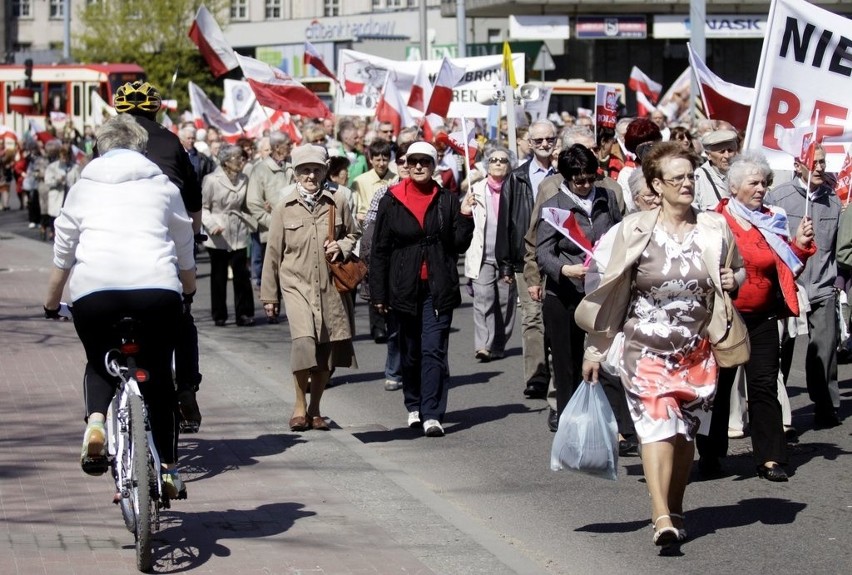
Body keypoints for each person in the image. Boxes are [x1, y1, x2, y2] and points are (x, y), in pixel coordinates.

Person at [577, 141, 743, 551]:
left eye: (690, 176)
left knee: (685, 435)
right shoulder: (632, 229)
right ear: (656, 185)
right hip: (644, 347)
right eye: (678, 178)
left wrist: (731, 280)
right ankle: (661, 515)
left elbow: (736, 267)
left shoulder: (714, 227)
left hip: (696, 349)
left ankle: (676, 505)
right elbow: (602, 284)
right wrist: (595, 349)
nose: (687, 184)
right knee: (655, 427)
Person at [43, 114, 196, 498]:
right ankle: (169, 470)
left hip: (96, 292)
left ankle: (96, 421)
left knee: (99, 360)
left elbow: (63, 251)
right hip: (156, 290)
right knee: (158, 375)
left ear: (101, 148)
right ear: (142, 149)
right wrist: (188, 289)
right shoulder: (163, 186)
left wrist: (51, 302)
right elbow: (184, 245)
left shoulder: (83, 187)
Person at [696, 152, 815, 482]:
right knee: (720, 388)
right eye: (754, 183)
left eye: (764, 182)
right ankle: (710, 455)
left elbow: (789, 266)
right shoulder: (714, 220)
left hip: (763, 317)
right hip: (728, 316)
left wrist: (800, 246)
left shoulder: (774, 218)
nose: (761, 188)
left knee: (764, 385)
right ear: (734, 188)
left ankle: (770, 458)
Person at [112, 80, 203, 432]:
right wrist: (193, 235)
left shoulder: (107, 142)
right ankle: (186, 389)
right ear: (155, 110)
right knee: (183, 319)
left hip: (115, 249)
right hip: (164, 244)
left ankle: (100, 409)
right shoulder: (170, 140)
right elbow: (193, 200)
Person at [370, 142, 475, 437]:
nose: (418, 166)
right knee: (411, 351)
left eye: (425, 162)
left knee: (434, 350)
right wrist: (378, 294)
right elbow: (379, 250)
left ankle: (432, 413)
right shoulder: (391, 199)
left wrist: (466, 216)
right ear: (404, 163)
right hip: (403, 287)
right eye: (412, 161)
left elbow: (458, 244)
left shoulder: (447, 200)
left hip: (438, 288)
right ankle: (414, 404)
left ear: (434, 165)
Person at [260, 144, 360, 432]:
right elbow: (273, 254)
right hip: (296, 285)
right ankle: (299, 406)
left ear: (324, 171)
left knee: (325, 350)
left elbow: (354, 233)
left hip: (329, 286)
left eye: (316, 169)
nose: (311, 175)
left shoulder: (337, 201)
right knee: (304, 342)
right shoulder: (284, 207)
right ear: (295, 173)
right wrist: (270, 296)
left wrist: (341, 246)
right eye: (304, 170)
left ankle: (316, 409)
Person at [536, 144, 622, 420]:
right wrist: (564, 269)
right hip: (565, 295)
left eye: (590, 177)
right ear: (566, 178)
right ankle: (569, 422)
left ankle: (611, 423)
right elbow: (543, 252)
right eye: (578, 180)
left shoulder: (606, 198)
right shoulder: (554, 206)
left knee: (607, 359)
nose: (586, 184)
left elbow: (620, 235)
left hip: (602, 292)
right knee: (567, 364)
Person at [766, 144, 842, 428]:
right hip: (790, 287)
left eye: (823, 162)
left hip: (822, 285)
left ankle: (826, 406)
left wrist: (837, 280)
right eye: (815, 162)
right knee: (783, 351)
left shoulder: (833, 201)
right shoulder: (779, 198)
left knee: (824, 349)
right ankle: (778, 415)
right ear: (799, 165)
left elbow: (833, 246)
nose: (821, 168)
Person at [495, 119, 558, 400]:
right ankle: (536, 376)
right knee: (532, 318)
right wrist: (505, 262)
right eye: (539, 140)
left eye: (550, 139)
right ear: (529, 144)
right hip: (525, 259)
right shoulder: (517, 177)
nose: (545, 144)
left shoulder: (564, 174)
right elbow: (506, 222)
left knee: (554, 317)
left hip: (558, 256)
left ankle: (559, 376)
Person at [464, 145, 517, 362]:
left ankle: (498, 343)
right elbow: (463, 220)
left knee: (505, 302)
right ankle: (483, 345)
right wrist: (465, 210)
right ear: (487, 164)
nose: (497, 163)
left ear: (509, 165)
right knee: (483, 299)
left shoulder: (516, 189)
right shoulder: (475, 190)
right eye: (493, 159)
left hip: (507, 257)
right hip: (482, 256)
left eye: (502, 160)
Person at [201, 144, 256, 327]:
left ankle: (245, 313)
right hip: (218, 234)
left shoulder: (244, 179)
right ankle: (219, 314)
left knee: (242, 274)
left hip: (239, 232)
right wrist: (212, 225)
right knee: (219, 276)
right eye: (237, 158)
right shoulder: (211, 180)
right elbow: (203, 207)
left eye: (242, 157)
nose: (241, 161)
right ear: (226, 161)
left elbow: (246, 204)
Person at [246, 131, 294, 296]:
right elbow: (253, 202)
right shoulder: (260, 169)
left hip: (294, 228)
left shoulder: (293, 166)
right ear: (277, 147)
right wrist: (272, 221)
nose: (291, 147)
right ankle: (271, 307)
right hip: (270, 230)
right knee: (271, 272)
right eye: (288, 144)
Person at [693, 129, 739, 211]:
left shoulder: (744, 173)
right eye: (722, 152)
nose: (727, 156)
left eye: (730, 150)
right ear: (708, 155)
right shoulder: (699, 177)